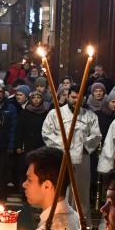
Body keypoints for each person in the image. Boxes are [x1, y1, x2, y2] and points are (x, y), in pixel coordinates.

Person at [42, 84, 101, 216]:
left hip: (82, 159)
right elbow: (47, 133)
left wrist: (80, 145)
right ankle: (56, 220)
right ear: (68, 96)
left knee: (80, 194)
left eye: (79, 98)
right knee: (60, 191)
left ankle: (81, 226)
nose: (76, 101)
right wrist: (64, 146)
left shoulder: (90, 116)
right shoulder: (55, 113)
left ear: (84, 98)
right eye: (73, 97)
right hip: (61, 158)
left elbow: (96, 135)